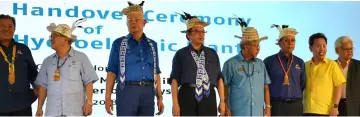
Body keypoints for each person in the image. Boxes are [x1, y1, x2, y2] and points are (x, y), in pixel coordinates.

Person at [104, 1, 164, 116]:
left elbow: (156, 72)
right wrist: (107, 97)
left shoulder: (153, 45)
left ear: (144, 22)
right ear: (126, 24)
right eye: (130, 20)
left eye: (136, 19)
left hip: (148, 91)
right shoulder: (118, 43)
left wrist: (160, 97)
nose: (133, 23)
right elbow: (111, 71)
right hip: (126, 90)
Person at [35, 18, 99, 116]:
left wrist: (89, 103)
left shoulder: (81, 58)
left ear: (65, 39)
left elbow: (88, 82)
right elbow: (43, 86)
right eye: (50, 36)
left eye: (54, 36)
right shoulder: (47, 61)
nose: (51, 39)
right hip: (53, 112)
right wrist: (39, 108)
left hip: (75, 112)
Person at [170, 11, 225, 116]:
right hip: (187, 96)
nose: (201, 34)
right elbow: (174, 79)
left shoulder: (212, 53)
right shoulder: (180, 54)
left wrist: (222, 101)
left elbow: (219, 78)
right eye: (197, 31)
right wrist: (175, 104)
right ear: (188, 34)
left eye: (203, 32)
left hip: (208, 95)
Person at [222, 17, 271, 116]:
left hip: (258, 112)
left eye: (259, 45)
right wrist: (225, 107)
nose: (258, 48)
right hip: (238, 112)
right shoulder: (230, 64)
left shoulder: (260, 64)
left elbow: (265, 87)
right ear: (245, 47)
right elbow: (224, 86)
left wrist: (268, 107)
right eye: (255, 45)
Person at [263, 24, 305, 116]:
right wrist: (268, 106)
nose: (290, 43)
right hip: (277, 106)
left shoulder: (300, 62)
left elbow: (302, 84)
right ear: (279, 43)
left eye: (293, 40)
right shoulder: (269, 61)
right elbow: (264, 85)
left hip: (296, 106)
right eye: (286, 40)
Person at [0, 14, 38, 116]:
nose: (6, 29)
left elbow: (33, 75)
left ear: (14, 29)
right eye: (2, 26)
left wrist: (36, 92)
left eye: (9, 26)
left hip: (22, 107)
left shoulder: (23, 49)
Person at [303, 33, 346, 116]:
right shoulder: (304, 65)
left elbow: (339, 86)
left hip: (326, 112)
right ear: (310, 48)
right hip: (307, 111)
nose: (322, 49)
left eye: (324, 46)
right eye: (318, 46)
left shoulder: (332, 64)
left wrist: (335, 107)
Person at [334, 36, 360, 116]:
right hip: (335, 107)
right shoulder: (331, 66)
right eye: (346, 49)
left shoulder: (358, 65)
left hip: (355, 108)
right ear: (337, 50)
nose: (350, 51)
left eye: (351, 48)